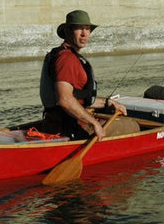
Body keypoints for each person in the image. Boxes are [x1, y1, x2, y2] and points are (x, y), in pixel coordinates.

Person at [40, 10, 139, 140]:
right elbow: (65, 100)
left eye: (87, 29)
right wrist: (94, 124)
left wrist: (108, 103)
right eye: (79, 29)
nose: (84, 34)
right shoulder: (67, 59)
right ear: (68, 31)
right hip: (69, 127)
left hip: (57, 122)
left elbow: (78, 98)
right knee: (133, 126)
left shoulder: (63, 55)